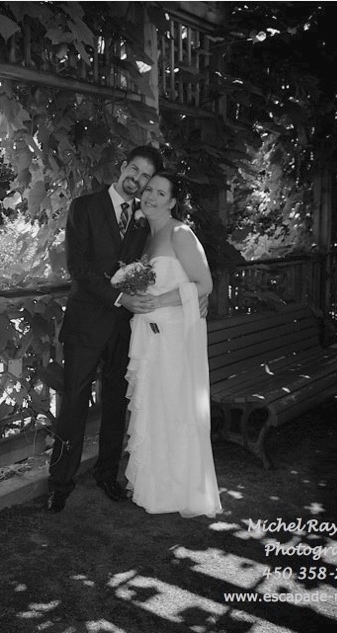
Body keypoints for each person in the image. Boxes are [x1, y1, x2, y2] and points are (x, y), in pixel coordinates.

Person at [46, 145, 165, 513]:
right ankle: (60, 482)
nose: (138, 179)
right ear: (122, 167)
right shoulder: (84, 207)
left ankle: (107, 474)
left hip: (122, 328)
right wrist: (118, 298)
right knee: (74, 405)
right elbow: (78, 267)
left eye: (146, 176)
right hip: (86, 325)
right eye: (135, 169)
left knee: (116, 404)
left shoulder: (144, 219)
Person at [123, 171, 222, 517]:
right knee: (154, 409)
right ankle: (156, 489)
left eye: (160, 193)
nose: (150, 196)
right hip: (148, 337)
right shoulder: (146, 238)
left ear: (173, 201)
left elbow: (205, 283)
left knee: (175, 409)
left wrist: (162, 300)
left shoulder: (181, 233)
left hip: (174, 338)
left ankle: (181, 490)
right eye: (149, 189)